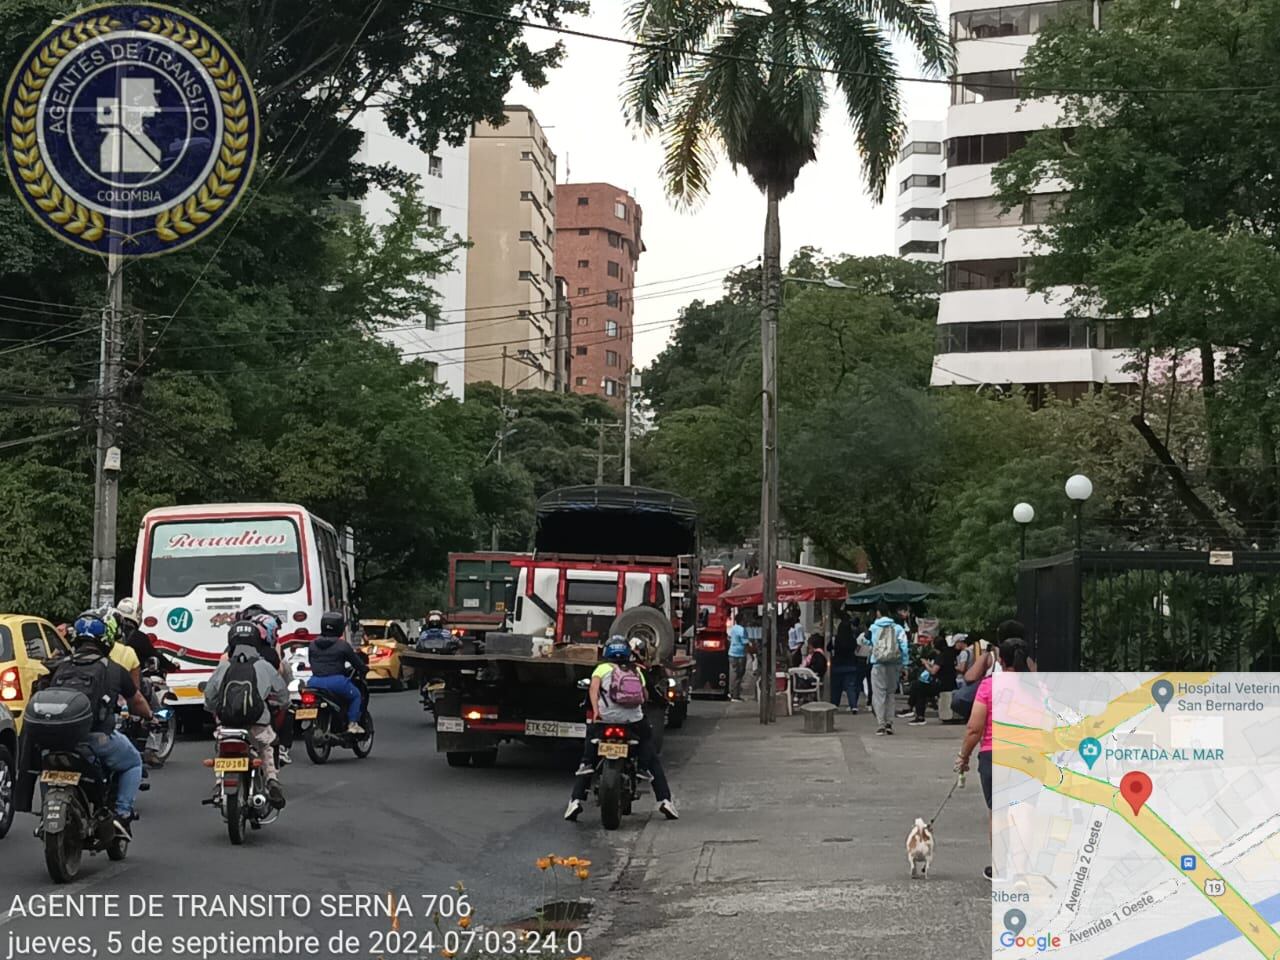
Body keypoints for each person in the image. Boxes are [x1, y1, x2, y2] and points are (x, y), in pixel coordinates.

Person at [47, 612, 153, 836]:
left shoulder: (60, 666)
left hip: (55, 738)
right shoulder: (113, 669)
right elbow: (138, 702)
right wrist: (150, 716)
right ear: (105, 640)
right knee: (134, 761)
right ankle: (122, 814)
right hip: (96, 739)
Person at [564, 637, 678, 822]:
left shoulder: (601, 669)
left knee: (588, 760)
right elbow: (645, 695)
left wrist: (596, 711)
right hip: (632, 722)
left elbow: (593, 690)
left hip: (605, 721)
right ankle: (664, 799)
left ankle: (575, 801)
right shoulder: (635, 670)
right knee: (650, 751)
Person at [956, 635, 1030, 881]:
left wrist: (963, 756)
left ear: (1000, 659)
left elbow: (974, 729)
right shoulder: (1038, 687)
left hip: (993, 754)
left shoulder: (989, 686)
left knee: (998, 813)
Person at [204, 621, 288, 808]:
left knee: (221, 748)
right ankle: (271, 781)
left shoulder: (223, 667)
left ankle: (219, 784)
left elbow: (210, 694)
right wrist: (283, 704)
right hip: (258, 722)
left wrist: (212, 709)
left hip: (228, 724)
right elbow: (282, 692)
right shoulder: (264, 666)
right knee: (266, 746)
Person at [307, 611, 368, 735]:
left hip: (314, 682)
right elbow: (357, 663)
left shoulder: (312, 645)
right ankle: (352, 723)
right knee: (356, 695)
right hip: (336, 682)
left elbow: (311, 661)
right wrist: (364, 669)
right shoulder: (342, 645)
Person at [866, 603, 909, 736]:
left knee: (879, 694)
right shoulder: (898, 628)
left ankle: (881, 724)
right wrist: (905, 664)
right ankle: (889, 722)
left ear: (878, 613)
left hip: (878, 664)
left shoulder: (873, 627)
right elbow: (904, 647)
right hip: (894, 664)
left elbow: (868, 642)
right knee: (891, 694)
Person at [830, 611, 862, 713]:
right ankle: (853, 706)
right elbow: (856, 649)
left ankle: (835, 704)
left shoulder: (835, 640)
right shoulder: (852, 640)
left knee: (836, 687)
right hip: (851, 665)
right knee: (850, 687)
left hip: (837, 666)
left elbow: (828, 647)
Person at [727, 613, 749, 702]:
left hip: (732, 653)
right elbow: (745, 643)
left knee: (733, 674)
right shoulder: (742, 630)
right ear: (742, 620)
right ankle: (735, 695)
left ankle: (731, 692)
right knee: (739, 675)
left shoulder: (734, 628)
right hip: (740, 654)